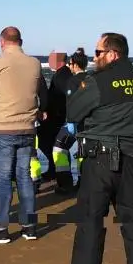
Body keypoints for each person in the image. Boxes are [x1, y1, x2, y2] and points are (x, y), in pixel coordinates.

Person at [60, 33, 133, 264]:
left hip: (99, 162)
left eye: (98, 52)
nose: (94, 57)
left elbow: (73, 112)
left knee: (90, 224)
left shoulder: (97, 82)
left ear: (113, 54)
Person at [0, 27, 48, 243]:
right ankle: (30, 227)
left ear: (1, 42)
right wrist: (41, 111)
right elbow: (41, 91)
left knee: (3, 180)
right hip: (27, 127)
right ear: (20, 41)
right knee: (25, 178)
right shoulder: (34, 63)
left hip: (3, 128)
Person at [52, 48, 89, 194]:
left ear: (73, 64)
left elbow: (72, 103)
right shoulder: (91, 79)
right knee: (83, 153)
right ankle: (82, 183)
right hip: (89, 124)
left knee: (59, 150)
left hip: (73, 124)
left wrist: (71, 122)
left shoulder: (72, 81)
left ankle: (65, 183)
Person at [39, 51, 73, 180]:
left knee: (51, 143)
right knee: (52, 143)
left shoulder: (63, 75)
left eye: (50, 58)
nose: (48, 61)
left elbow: (69, 94)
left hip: (58, 117)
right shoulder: (61, 73)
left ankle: (60, 173)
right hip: (56, 115)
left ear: (58, 60)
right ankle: (54, 169)